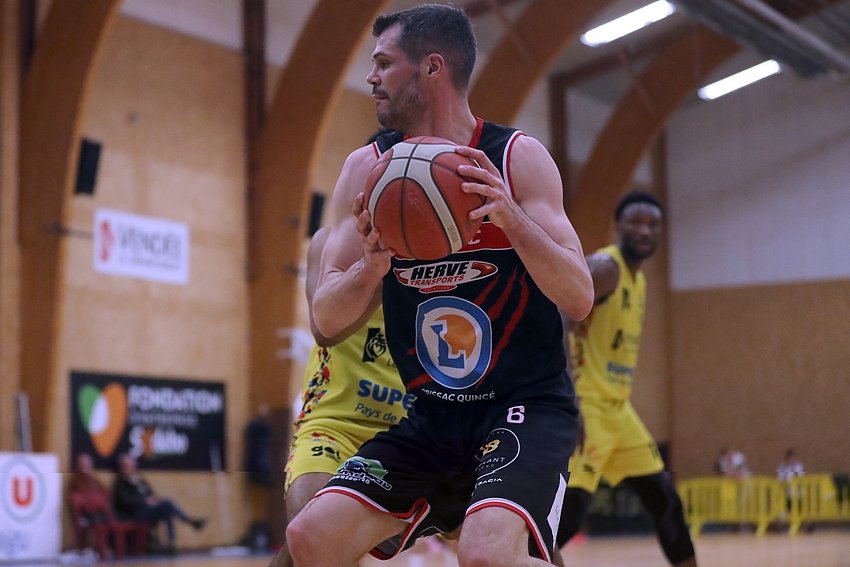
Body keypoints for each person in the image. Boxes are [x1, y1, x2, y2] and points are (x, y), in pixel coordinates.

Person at [286, 5, 593, 566]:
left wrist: (511, 218)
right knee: (310, 536)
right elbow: (326, 320)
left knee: (486, 556)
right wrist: (369, 268)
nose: (371, 77)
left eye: (384, 63)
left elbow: (579, 295)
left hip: (523, 407)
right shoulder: (367, 169)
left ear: (431, 67)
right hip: (431, 415)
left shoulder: (514, 157)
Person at [555, 191, 697, 567]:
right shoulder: (606, 268)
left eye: (652, 224)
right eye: (636, 222)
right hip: (588, 405)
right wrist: (568, 395)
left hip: (620, 411)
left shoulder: (640, 281)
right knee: (567, 515)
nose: (645, 231)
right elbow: (558, 315)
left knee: (666, 501)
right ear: (618, 225)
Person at [269, 223, 412, 567]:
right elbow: (325, 330)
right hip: (334, 422)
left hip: (415, 429)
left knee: (508, 535)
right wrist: (379, 270)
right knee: (309, 532)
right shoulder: (331, 242)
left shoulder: (455, 254)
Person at [112, 453, 206, 553]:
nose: (128, 467)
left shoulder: (139, 479)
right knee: (167, 504)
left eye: (130, 464)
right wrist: (144, 501)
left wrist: (154, 500)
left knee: (167, 510)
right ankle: (190, 521)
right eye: (126, 465)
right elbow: (124, 501)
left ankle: (171, 544)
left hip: (149, 510)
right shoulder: (120, 482)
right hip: (135, 513)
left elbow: (150, 493)